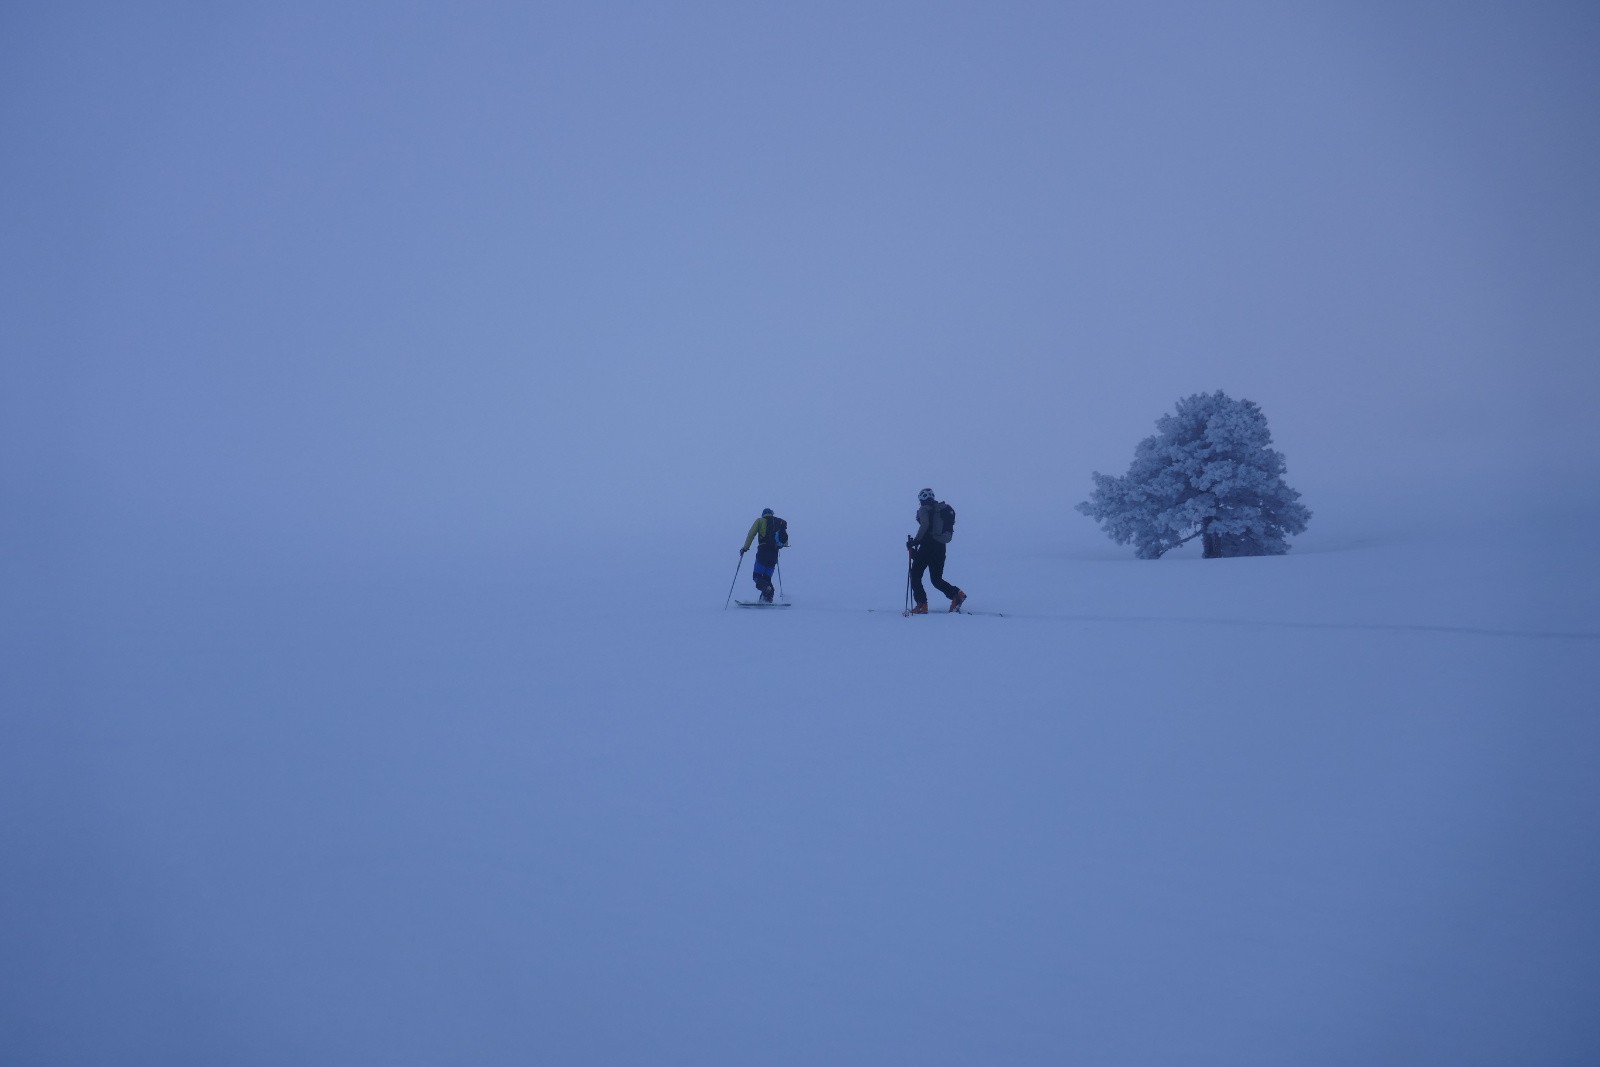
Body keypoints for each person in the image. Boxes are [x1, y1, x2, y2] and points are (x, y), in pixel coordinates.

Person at [906, 487, 965, 614]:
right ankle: (957, 594)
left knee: (915, 574)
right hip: (940, 547)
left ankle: (921, 605)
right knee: (936, 579)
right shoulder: (941, 510)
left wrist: (915, 542)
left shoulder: (923, 509)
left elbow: (925, 525)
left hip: (928, 545)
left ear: (921, 499)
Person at [740, 508, 789, 603]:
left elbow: (751, 534)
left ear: (763, 514)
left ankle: (767, 589)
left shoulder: (760, 521)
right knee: (767, 578)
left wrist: (745, 548)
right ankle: (768, 598)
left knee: (757, 576)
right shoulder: (780, 523)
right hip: (774, 554)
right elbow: (785, 543)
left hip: (763, 551)